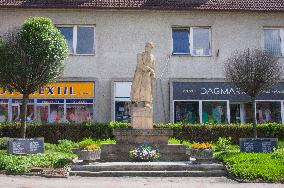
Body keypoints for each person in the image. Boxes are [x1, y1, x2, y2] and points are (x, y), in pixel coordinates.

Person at [131, 42, 155, 108]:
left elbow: (153, 67)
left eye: (148, 46)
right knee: (138, 88)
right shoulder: (140, 55)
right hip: (139, 75)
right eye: (146, 46)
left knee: (147, 89)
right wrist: (149, 68)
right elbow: (139, 64)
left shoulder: (152, 57)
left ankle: (147, 103)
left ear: (151, 48)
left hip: (147, 75)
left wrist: (152, 72)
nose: (146, 48)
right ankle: (138, 102)